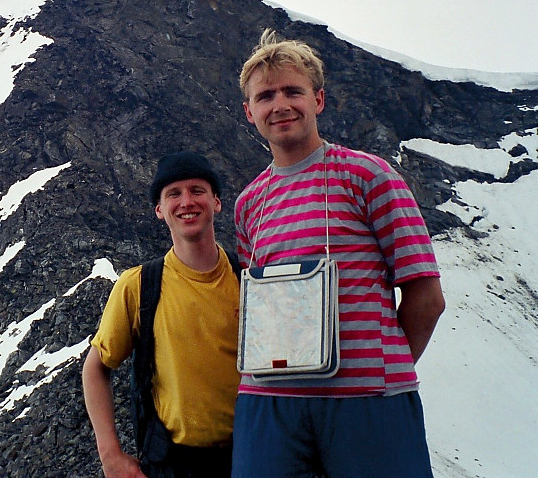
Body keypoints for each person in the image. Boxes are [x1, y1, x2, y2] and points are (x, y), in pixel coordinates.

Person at [232, 29, 446, 478]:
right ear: (250, 112)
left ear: (319, 100)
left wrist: (381, 368)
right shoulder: (249, 203)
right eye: (266, 95)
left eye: (294, 90)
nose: (281, 105)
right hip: (268, 404)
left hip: (367, 402)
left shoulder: (369, 176)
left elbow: (426, 295)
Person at [82, 152, 241, 478]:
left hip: (249, 457)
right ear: (159, 210)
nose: (187, 202)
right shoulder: (139, 286)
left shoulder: (248, 278)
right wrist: (110, 454)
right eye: (174, 194)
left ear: (216, 201)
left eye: (197, 190)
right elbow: (95, 369)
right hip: (173, 464)